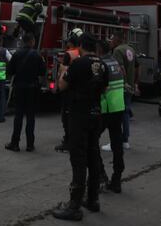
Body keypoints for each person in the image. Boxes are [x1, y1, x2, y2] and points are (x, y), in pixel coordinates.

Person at [51, 33, 108, 221]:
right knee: (92, 155)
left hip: (79, 115)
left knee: (78, 159)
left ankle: (74, 205)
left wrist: (64, 69)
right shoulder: (103, 65)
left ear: (81, 46)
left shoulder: (79, 63)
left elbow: (62, 86)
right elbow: (105, 89)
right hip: (95, 113)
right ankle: (93, 199)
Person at [5, 33, 45, 152]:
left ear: (23, 41)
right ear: (32, 41)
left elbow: (10, 71)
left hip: (19, 87)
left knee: (18, 116)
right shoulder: (37, 55)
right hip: (32, 88)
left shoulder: (17, 54)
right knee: (30, 116)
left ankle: (15, 143)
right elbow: (42, 71)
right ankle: (30, 144)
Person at [96, 39, 126, 194]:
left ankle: (100, 175)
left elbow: (99, 87)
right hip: (118, 107)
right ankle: (117, 179)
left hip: (105, 109)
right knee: (117, 143)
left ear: (99, 50)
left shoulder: (101, 65)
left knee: (91, 141)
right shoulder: (115, 63)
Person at [105, 34, 137, 150]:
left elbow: (120, 68)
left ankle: (117, 141)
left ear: (116, 40)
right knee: (126, 113)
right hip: (130, 86)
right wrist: (135, 83)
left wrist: (123, 83)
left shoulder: (117, 51)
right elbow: (138, 66)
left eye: (112, 40)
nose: (110, 42)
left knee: (117, 114)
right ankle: (125, 140)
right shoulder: (131, 49)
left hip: (122, 87)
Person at [55, 30, 83, 152]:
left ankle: (68, 142)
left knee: (66, 118)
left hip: (67, 90)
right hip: (78, 89)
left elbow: (63, 71)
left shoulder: (69, 54)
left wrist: (57, 85)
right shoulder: (81, 53)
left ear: (70, 43)